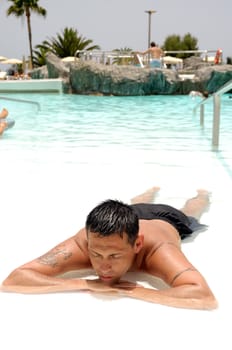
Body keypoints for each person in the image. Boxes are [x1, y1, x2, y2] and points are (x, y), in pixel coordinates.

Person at [1, 187, 217, 310]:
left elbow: (204, 297)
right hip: (130, 215)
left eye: (114, 255)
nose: (103, 267)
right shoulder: (82, 242)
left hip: (169, 219)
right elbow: (14, 280)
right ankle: (149, 192)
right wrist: (88, 284)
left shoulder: (159, 250)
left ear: (137, 244)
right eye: (96, 254)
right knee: (134, 204)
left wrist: (133, 290)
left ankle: (202, 195)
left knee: (191, 213)